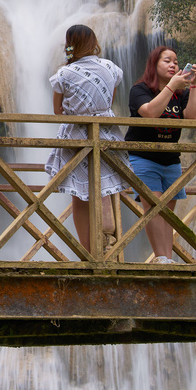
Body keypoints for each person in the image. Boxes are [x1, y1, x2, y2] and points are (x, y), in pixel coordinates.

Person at [43, 25, 128, 253]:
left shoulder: (64, 73)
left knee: (79, 196)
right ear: (94, 42)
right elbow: (109, 102)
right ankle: (108, 245)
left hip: (77, 138)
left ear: (69, 44)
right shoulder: (111, 68)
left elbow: (58, 112)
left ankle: (87, 251)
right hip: (106, 134)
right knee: (106, 187)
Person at [125, 46, 196, 264]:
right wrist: (171, 87)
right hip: (143, 156)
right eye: (167, 61)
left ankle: (167, 257)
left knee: (167, 211)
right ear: (153, 64)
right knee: (154, 207)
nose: (173, 65)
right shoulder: (139, 90)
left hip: (171, 158)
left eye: (176, 62)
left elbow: (193, 118)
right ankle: (161, 258)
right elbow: (150, 113)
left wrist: (194, 85)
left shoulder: (181, 94)